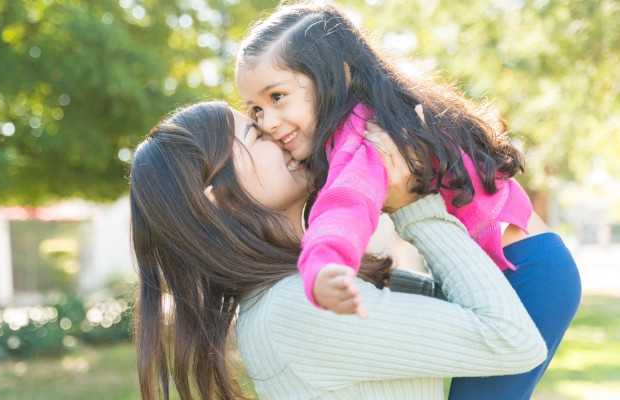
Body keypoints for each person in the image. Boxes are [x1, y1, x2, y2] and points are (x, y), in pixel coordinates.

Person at [234, 2, 581, 398]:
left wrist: (325, 264)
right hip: (532, 263)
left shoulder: (363, 138)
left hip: (528, 275)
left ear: (338, 75)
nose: (266, 122)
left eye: (277, 97)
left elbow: (346, 206)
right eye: (256, 109)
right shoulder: (373, 117)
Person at [129, 101, 546, 400]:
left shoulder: (292, 293)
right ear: (215, 199)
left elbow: (479, 305)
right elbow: (512, 339)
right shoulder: (297, 308)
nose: (278, 132)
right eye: (256, 134)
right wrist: (414, 207)